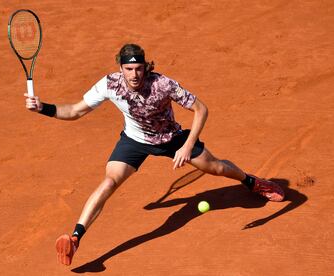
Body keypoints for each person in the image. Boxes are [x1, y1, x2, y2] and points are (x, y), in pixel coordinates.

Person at [24, 44, 285, 266]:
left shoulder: (163, 84)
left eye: (139, 69)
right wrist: (43, 108)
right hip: (135, 141)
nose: (134, 74)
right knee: (109, 182)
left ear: (146, 67)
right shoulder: (109, 85)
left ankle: (252, 181)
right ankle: (76, 238)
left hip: (172, 139)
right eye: (128, 69)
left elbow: (201, 109)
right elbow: (75, 111)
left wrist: (186, 146)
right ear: (121, 69)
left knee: (216, 167)